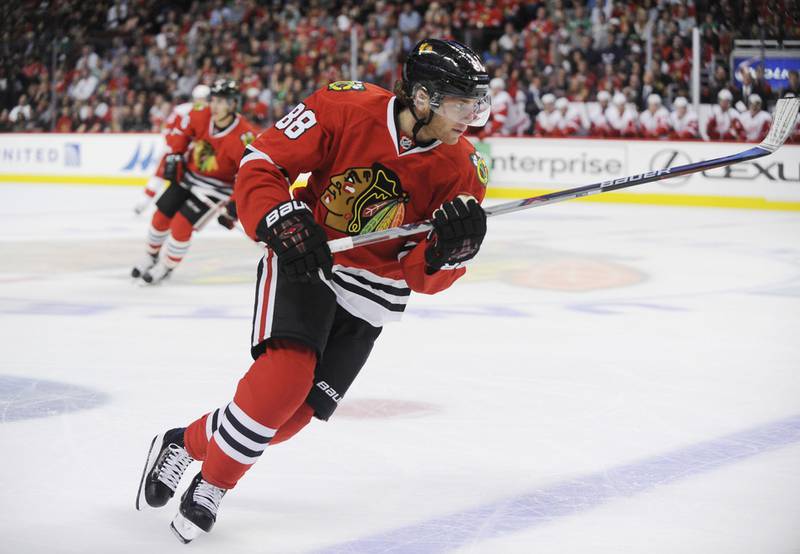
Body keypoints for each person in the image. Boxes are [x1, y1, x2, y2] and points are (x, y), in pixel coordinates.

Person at [135, 39, 490, 543]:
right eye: (462, 103)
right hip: (311, 257)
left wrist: (448, 252)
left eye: (478, 103)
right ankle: (213, 486)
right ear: (425, 97)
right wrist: (278, 217)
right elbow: (262, 163)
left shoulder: (464, 169)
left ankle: (184, 442)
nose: (473, 116)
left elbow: (419, 276)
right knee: (286, 376)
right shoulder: (342, 106)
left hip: (373, 295)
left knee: (293, 418)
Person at [130, 79, 257, 284]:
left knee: (181, 225)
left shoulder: (245, 136)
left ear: (233, 104)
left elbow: (248, 173)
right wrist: (176, 155)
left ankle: (166, 266)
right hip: (188, 178)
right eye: (213, 100)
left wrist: (235, 204)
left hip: (215, 191)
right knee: (160, 216)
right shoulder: (200, 113)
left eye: (222, 102)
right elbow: (181, 132)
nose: (215, 106)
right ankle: (150, 256)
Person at [133, 84, 211, 215]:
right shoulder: (183, 110)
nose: (203, 101)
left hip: (194, 154)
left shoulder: (211, 113)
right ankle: (143, 203)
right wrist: (175, 147)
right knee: (159, 176)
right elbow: (168, 130)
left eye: (205, 98)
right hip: (177, 151)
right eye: (201, 98)